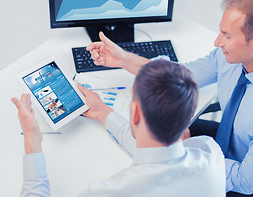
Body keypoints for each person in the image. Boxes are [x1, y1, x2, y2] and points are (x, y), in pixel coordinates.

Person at [87, 0, 253, 196]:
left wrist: (183, 155)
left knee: (163, 151)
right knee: (158, 130)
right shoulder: (230, 58)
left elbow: (246, 180)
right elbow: (176, 76)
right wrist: (123, 59)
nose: (217, 42)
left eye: (226, 35)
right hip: (228, 142)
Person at [12, 59, 226, 197]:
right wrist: (102, 112)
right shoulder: (210, 152)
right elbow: (159, 153)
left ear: (134, 113)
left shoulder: (113, 191)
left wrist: (32, 140)